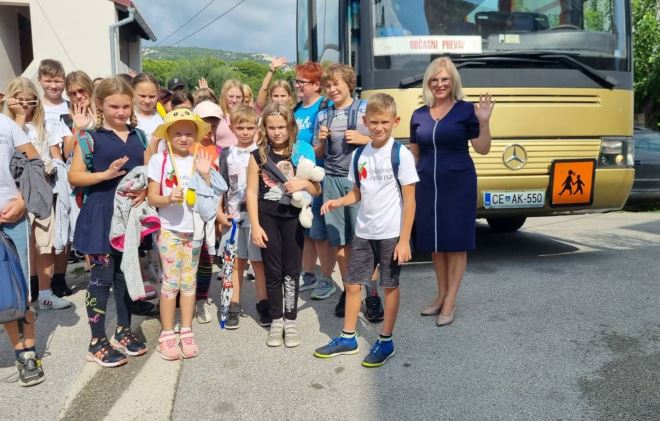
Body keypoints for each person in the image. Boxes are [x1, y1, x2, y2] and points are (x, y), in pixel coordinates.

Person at [314, 93, 417, 367]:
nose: (379, 127)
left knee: (389, 286)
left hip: (391, 233)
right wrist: (338, 201)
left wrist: (404, 240)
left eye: (384, 122)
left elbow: (410, 201)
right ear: (365, 121)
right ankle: (348, 338)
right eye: (374, 122)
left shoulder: (401, 154)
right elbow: (357, 192)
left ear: (395, 121)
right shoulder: (360, 154)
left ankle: (385, 340)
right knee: (351, 284)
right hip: (364, 232)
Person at [69, 77, 149, 367]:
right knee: (101, 278)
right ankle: (96, 341)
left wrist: (145, 192)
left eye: (126, 106)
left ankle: (123, 330)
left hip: (129, 217)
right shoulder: (89, 138)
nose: (121, 112)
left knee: (125, 275)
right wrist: (104, 175)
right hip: (100, 216)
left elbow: (149, 172)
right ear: (100, 105)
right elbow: (74, 176)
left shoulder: (140, 137)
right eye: (114, 106)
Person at [410, 57, 493, 326]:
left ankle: (450, 301)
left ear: (453, 81)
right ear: (428, 83)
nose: (440, 84)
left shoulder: (466, 110)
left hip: (458, 183)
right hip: (427, 185)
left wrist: (484, 122)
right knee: (435, 243)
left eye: (445, 79)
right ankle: (441, 294)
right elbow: (415, 153)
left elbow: (482, 149)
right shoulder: (419, 114)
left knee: (456, 242)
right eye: (434, 79)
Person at [312, 64, 383, 324]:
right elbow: (318, 153)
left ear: (349, 84)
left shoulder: (364, 109)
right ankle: (348, 289)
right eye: (328, 86)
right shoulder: (323, 115)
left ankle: (371, 294)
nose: (332, 89)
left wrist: (364, 139)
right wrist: (321, 141)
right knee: (340, 241)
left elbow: (384, 141)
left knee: (365, 240)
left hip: (360, 181)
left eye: (336, 84)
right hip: (331, 179)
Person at [246, 102, 321, 347]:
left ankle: (290, 320)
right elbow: (251, 192)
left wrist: (304, 184)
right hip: (267, 219)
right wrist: (255, 226)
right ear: (264, 128)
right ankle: (276, 319)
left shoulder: (302, 152)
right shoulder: (257, 156)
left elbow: (316, 188)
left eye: (281, 127)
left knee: (291, 270)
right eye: (272, 127)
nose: (277, 132)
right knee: (273, 270)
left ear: (290, 127)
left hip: (293, 220)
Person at [147, 109, 219, 360]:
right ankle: (167, 333)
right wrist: (168, 198)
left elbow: (210, 196)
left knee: (189, 282)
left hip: (195, 231)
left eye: (189, 133)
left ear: (196, 136)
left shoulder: (200, 159)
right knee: (170, 282)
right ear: (168, 135)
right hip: (169, 230)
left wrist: (206, 175)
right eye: (177, 133)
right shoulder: (159, 160)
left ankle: (186, 330)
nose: (184, 138)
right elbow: (152, 197)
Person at [4, 77, 73, 308]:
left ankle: (45, 293)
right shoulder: (6, 126)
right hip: (14, 193)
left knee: (45, 243)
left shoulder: (46, 124)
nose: (25, 106)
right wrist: (18, 118)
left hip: (43, 189)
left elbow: (55, 154)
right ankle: (21, 295)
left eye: (30, 101)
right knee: (20, 245)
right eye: (19, 101)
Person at [0, 112, 46, 386]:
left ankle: (27, 353)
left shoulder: (6, 124)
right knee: (2, 292)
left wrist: (23, 200)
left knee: (20, 290)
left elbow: (34, 163)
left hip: (12, 216)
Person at [217, 105, 269, 329]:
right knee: (235, 263)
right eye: (241, 128)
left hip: (257, 217)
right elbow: (221, 185)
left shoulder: (262, 152)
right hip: (233, 216)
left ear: (257, 128)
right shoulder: (226, 153)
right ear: (232, 128)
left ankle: (264, 303)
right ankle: (233, 304)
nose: (245, 132)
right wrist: (219, 212)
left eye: (250, 127)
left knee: (258, 263)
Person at [293, 61, 328, 293]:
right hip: (298, 175)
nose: (298, 85)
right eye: (296, 81)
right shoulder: (296, 109)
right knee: (305, 229)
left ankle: (326, 277)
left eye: (302, 82)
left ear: (316, 85)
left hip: (318, 175)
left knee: (319, 231)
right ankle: (308, 274)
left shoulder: (324, 106)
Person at [191, 100, 223, 323]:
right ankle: (182, 299)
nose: (210, 126)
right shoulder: (184, 144)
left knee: (205, 258)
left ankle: (201, 298)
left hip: (210, 213)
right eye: (205, 121)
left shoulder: (218, 149)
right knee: (186, 259)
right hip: (187, 212)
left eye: (214, 122)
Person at [216, 79, 242, 148]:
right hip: (220, 153)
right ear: (224, 96)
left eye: (238, 97)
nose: (234, 100)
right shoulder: (216, 114)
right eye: (231, 96)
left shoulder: (247, 116)